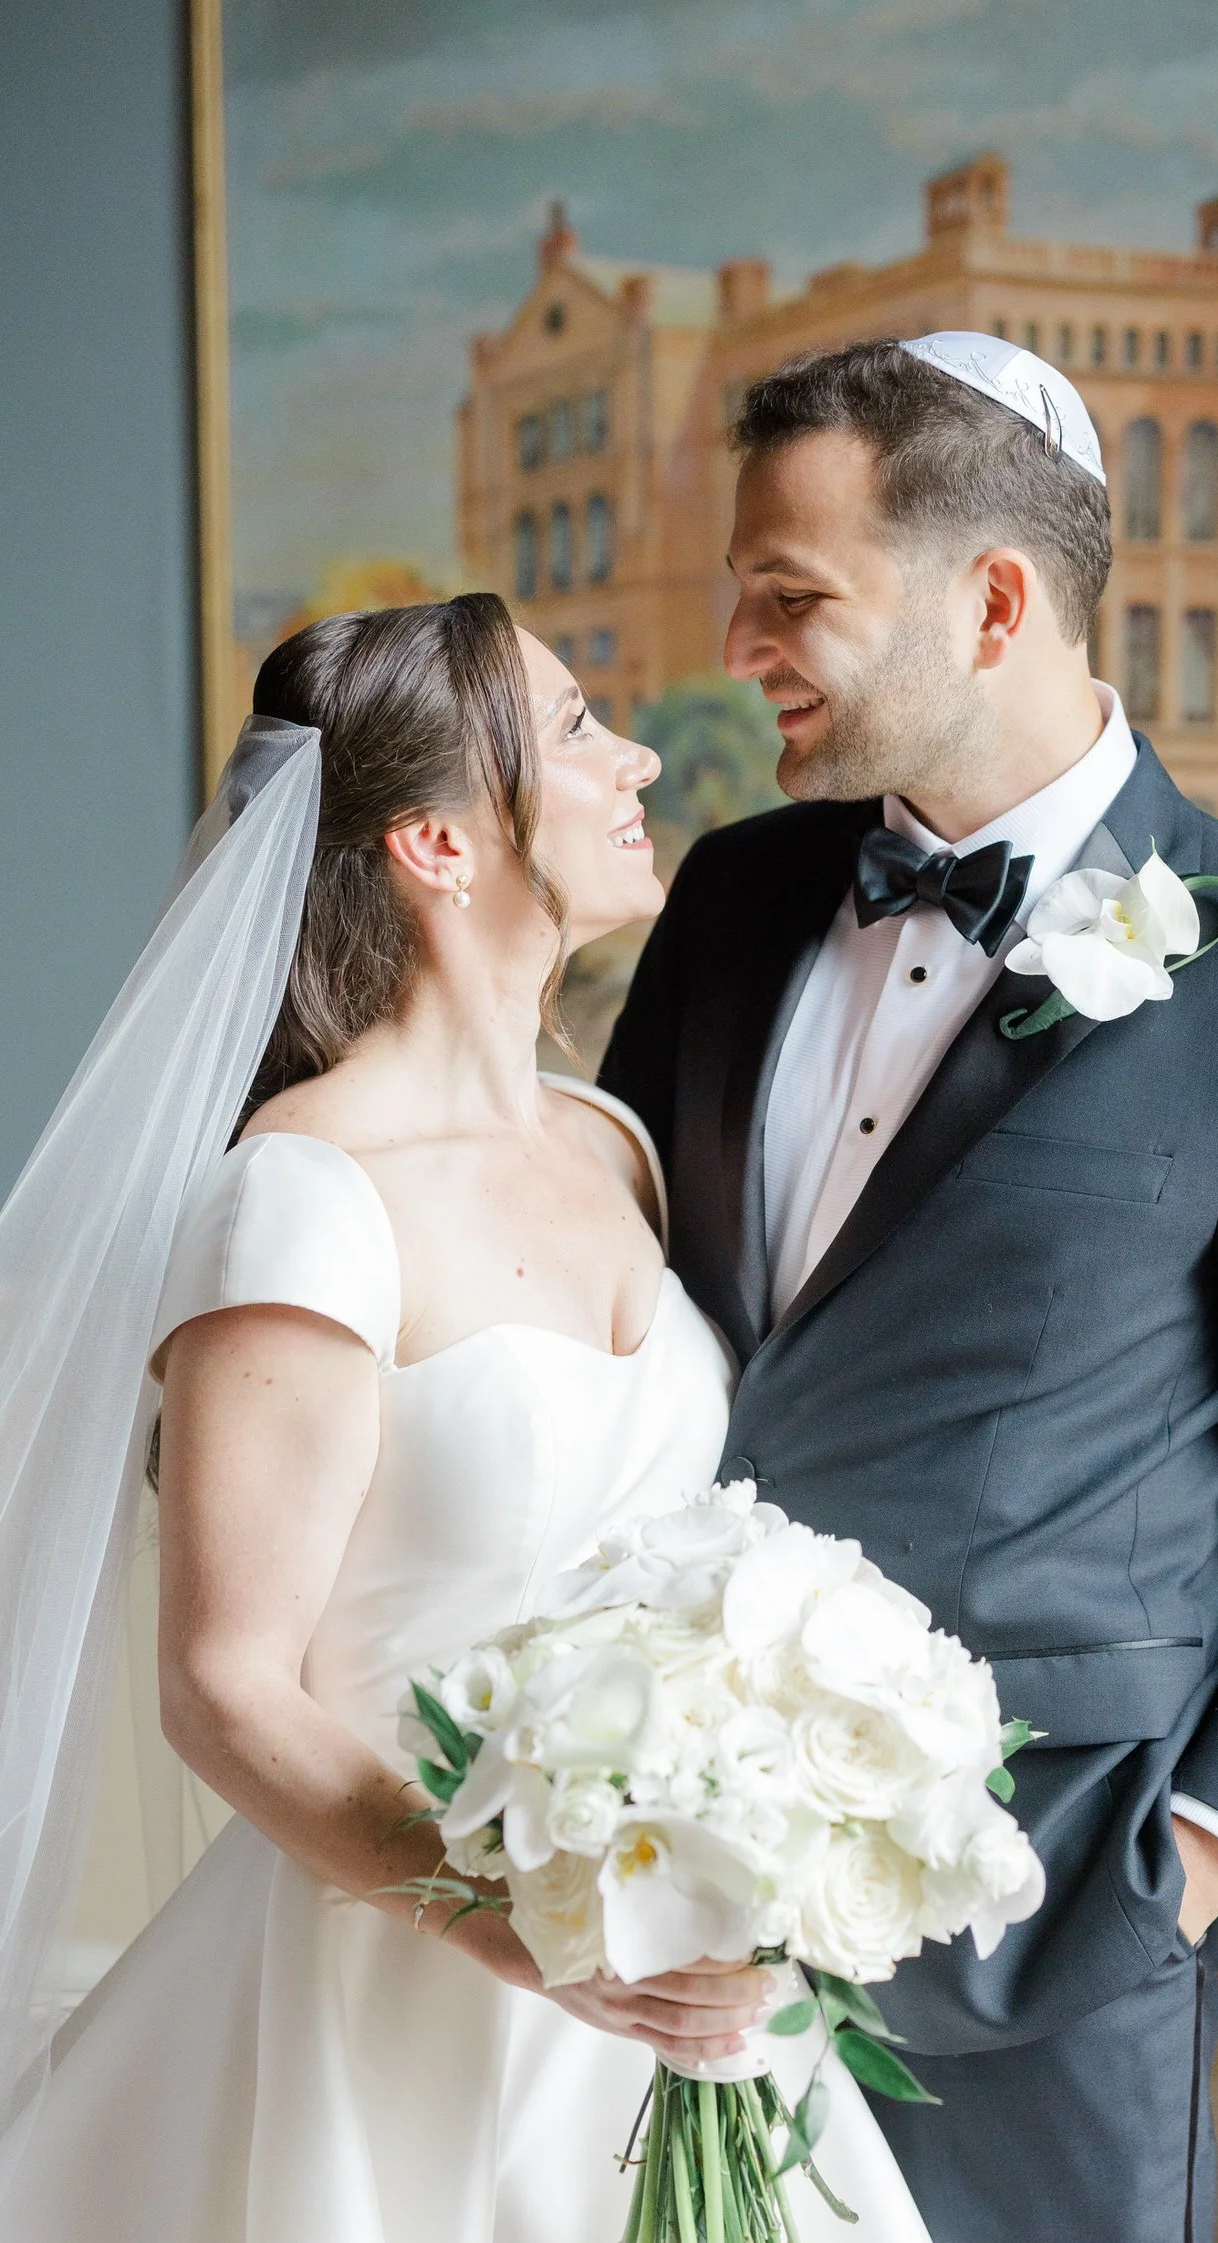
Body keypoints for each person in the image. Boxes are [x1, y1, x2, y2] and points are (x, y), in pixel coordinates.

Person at [601, 336, 1218, 2243]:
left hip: (1036, 1922)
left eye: (791, 598)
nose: (742, 648)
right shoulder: (733, 895)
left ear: (990, 600)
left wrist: (1193, 1855)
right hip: (653, 1903)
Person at [0, 594, 929, 2242]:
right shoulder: (300, 1199)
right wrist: (518, 1931)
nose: (636, 753)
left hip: (674, 2002)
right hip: (392, 1996)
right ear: (435, 841)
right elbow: (222, 1685)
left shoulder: (611, 1147)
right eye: (575, 729)